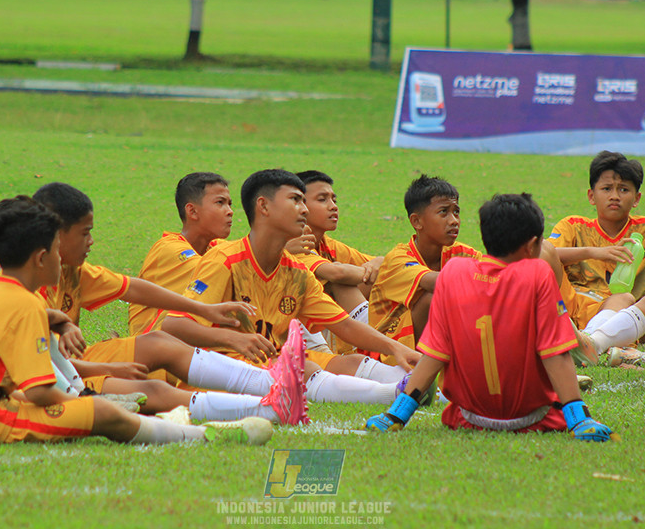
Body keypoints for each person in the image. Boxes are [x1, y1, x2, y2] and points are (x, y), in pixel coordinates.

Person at [0, 196, 272, 445]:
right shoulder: (23, 304)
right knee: (105, 415)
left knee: (117, 396)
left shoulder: (2, 294)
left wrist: (64, 333)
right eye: (59, 249)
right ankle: (204, 436)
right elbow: (41, 391)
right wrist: (92, 402)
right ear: (43, 256)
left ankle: (256, 402)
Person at [31, 182, 310, 424]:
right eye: (84, 233)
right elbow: (40, 364)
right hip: (56, 376)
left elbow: (133, 287)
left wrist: (202, 308)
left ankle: (274, 386)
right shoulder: (172, 248)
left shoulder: (73, 271)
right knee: (151, 386)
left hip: (74, 365)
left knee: (160, 348)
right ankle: (272, 399)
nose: (230, 211)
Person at [365, 193, 618, 442]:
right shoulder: (537, 274)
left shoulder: (453, 272)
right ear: (532, 245)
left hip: (468, 417)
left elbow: (436, 353)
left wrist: (395, 415)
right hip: (535, 418)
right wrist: (579, 418)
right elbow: (555, 352)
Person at [162, 169, 421, 407]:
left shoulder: (297, 270)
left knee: (347, 362)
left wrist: (396, 348)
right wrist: (233, 338)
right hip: (227, 368)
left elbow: (344, 325)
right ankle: (397, 393)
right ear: (263, 206)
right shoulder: (224, 261)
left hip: (275, 358)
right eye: (295, 200)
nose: (304, 210)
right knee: (300, 368)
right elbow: (173, 326)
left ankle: (419, 383)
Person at [548, 151, 645, 367]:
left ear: (636, 198)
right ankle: (602, 346)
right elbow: (544, 253)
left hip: (620, 315)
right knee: (546, 249)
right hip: (571, 307)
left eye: (623, 189)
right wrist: (594, 251)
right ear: (591, 196)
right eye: (606, 189)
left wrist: (642, 336)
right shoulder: (573, 225)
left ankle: (591, 344)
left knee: (641, 301)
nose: (614, 196)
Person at [367, 175, 481, 363]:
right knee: (432, 298)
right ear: (417, 222)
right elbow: (436, 283)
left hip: (430, 343)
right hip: (386, 352)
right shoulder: (398, 259)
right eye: (444, 212)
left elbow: (494, 275)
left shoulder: (462, 252)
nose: (454, 221)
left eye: (456, 212)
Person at [287, 170, 384, 354]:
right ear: (299, 206)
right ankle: (378, 345)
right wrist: (368, 270)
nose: (333, 207)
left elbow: (389, 264)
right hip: (289, 334)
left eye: (334, 200)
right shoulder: (293, 245)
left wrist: (379, 261)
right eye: (322, 199)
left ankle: (379, 344)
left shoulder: (329, 246)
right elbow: (336, 274)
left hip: (323, 326)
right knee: (341, 283)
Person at [128, 172, 234, 337]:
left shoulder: (215, 247)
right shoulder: (169, 249)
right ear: (192, 211)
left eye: (230, 204)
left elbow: (248, 254)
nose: (230, 211)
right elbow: (231, 269)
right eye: (220, 203)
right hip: (152, 350)